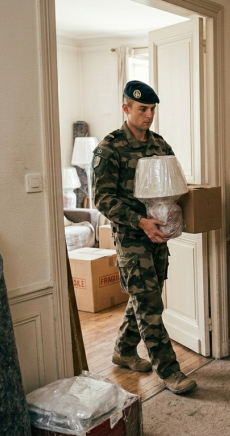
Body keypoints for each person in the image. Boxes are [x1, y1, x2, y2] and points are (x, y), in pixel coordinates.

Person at [93, 80, 197, 395]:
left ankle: (123, 351)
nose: (149, 115)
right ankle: (169, 372)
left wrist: (172, 217)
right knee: (149, 304)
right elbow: (102, 199)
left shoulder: (160, 145)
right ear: (126, 108)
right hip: (131, 238)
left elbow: (174, 187)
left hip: (159, 237)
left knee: (143, 296)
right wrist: (140, 221)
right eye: (142, 109)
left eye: (152, 109)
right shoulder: (109, 148)